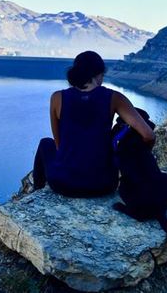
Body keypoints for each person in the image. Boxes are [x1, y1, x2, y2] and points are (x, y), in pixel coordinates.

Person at [30, 50, 155, 197]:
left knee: (46, 143)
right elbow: (148, 135)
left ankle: (37, 191)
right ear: (98, 74)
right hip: (103, 185)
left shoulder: (58, 98)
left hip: (62, 184)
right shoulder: (114, 98)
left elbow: (59, 145)